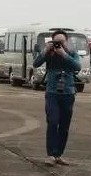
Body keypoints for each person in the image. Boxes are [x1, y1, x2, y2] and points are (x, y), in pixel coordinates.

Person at [33, 29, 81, 167]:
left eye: (61, 42)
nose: (58, 45)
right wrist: (45, 51)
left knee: (64, 126)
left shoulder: (71, 54)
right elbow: (36, 64)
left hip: (68, 92)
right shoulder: (49, 53)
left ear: (66, 42)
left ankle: (58, 154)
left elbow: (77, 67)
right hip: (52, 92)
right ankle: (51, 154)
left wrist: (64, 54)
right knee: (53, 122)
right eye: (56, 42)